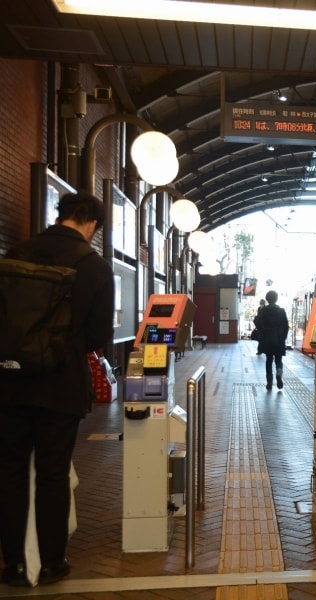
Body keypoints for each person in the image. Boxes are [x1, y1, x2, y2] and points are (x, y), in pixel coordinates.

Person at [0, 191, 115, 587]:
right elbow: (98, 335)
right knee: (53, 472)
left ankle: (15, 563)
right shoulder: (94, 266)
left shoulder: (16, 253)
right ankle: (51, 561)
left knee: (10, 471)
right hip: (60, 384)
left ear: (60, 214)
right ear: (92, 225)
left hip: (9, 382)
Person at [253, 290, 289, 391]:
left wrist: (263, 331)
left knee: (269, 360)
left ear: (267, 299)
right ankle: (279, 374)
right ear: (276, 299)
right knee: (278, 360)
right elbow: (286, 326)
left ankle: (269, 382)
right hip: (279, 339)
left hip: (267, 339)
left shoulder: (264, 310)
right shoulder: (281, 311)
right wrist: (283, 337)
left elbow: (257, 322)